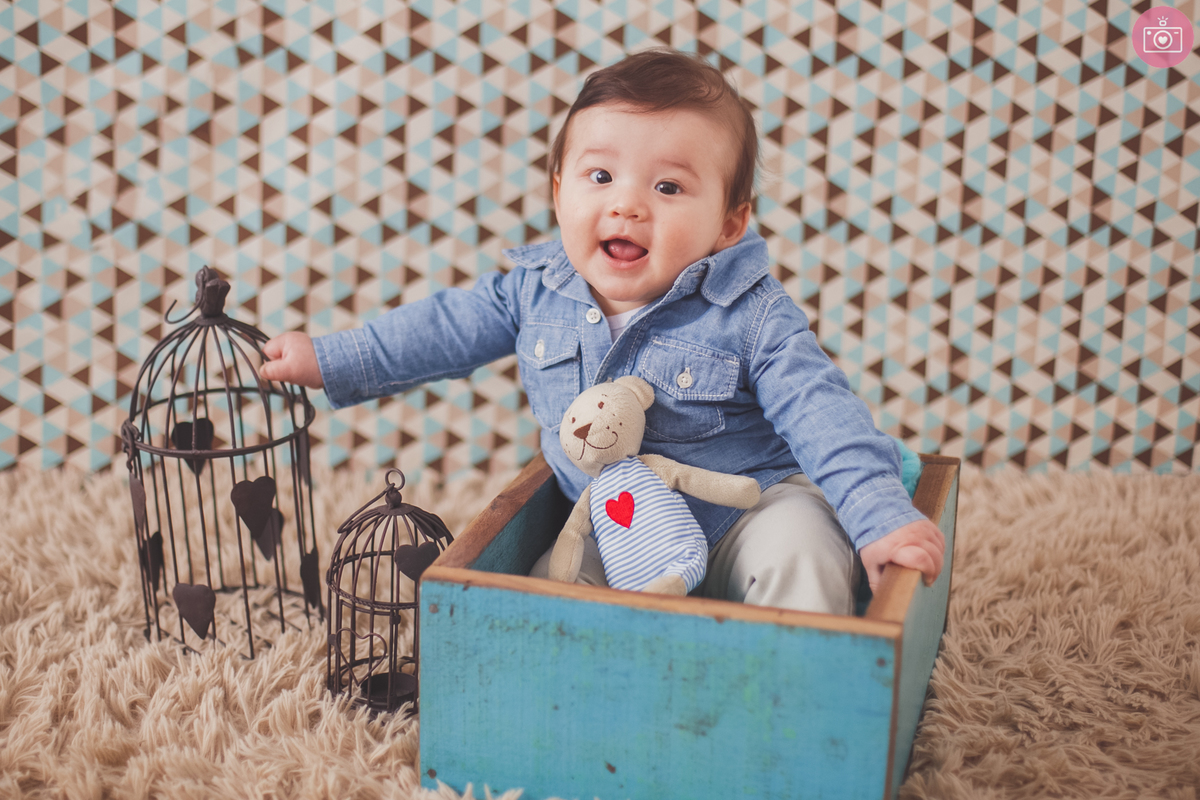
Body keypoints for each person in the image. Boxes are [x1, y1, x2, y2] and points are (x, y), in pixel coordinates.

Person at [260, 48, 944, 615]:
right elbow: (438, 331)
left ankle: (793, 704)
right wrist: (330, 357)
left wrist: (880, 515)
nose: (627, 204)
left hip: (742, 514)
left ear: (731, 224)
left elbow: (824, 413)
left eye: (669, 188)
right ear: (559, 190)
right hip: (614, 525)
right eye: (600, 175)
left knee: (800, 544)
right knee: (539, 587)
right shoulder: (534, 288)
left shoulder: (751, 313)